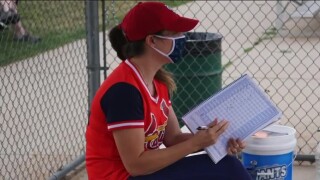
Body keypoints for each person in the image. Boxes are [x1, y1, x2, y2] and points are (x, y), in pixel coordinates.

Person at [85, 2, 252, 180]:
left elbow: (173, 137)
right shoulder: (124, 91)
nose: (183, 38)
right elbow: (136, 165)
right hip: (122, 176)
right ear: (152, 41)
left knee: (227, 165)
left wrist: (215, 140)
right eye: (175, 34)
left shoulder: (158, 81)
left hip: (144, 173)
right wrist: (196, 144)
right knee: (227, 169)